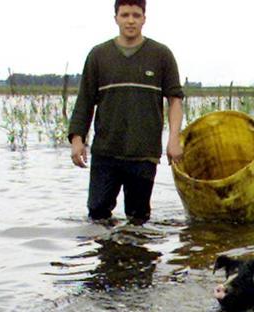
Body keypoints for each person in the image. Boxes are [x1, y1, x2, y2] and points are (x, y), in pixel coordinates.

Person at [68, 0, 184, 224]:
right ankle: (106, 257)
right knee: (97, 215)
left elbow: (175, 100)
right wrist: (77, 138)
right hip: (105, 152)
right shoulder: (98, 55)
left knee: (138, 219)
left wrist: (174, 140)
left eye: (136, 15)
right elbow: (84, 101)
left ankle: (137, 258)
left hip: (143, 153)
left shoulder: (161, 55)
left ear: (144, 18)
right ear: (116, 18)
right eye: (125, 15)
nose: (130, 20)